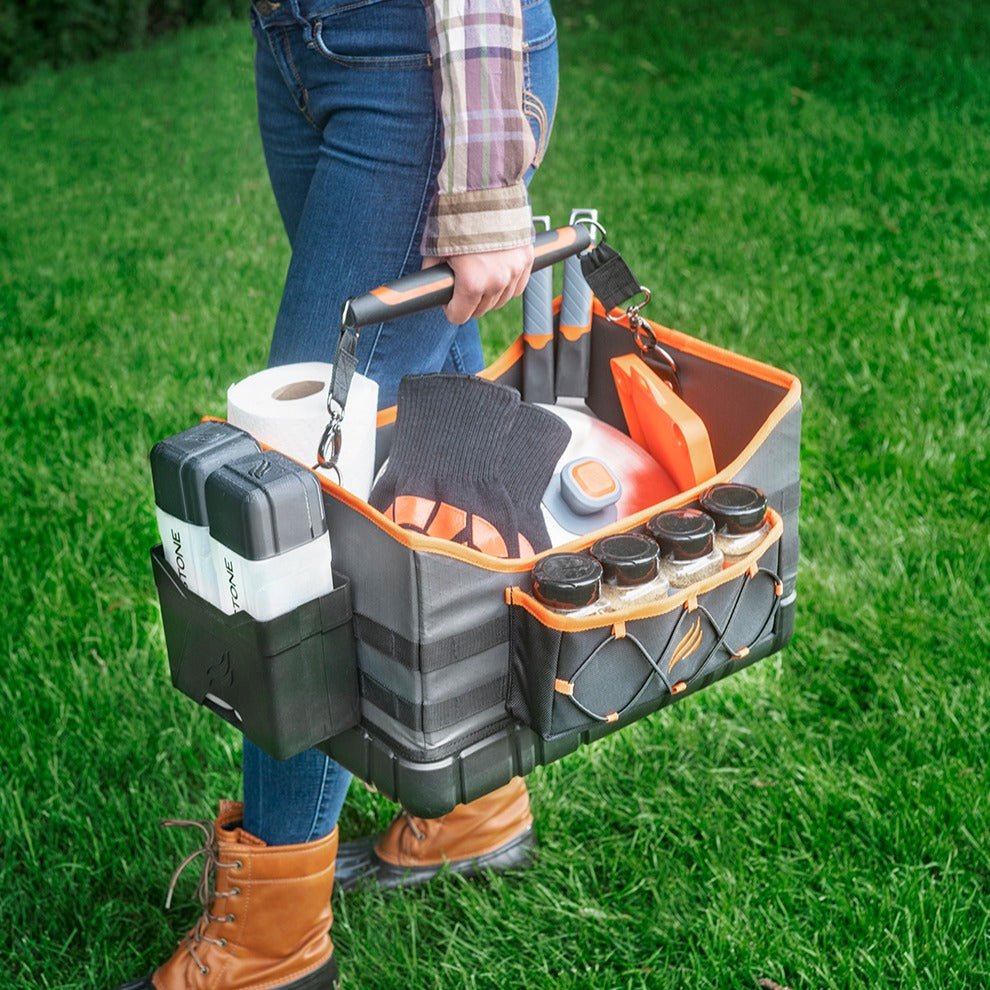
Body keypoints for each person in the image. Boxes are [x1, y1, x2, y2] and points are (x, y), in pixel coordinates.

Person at [116, 1, 558, 987]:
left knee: (297, 487)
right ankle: (470, 799)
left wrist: (483, 182)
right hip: (298, 42)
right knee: (433, 416)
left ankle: (271, 936)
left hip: (419, 59)